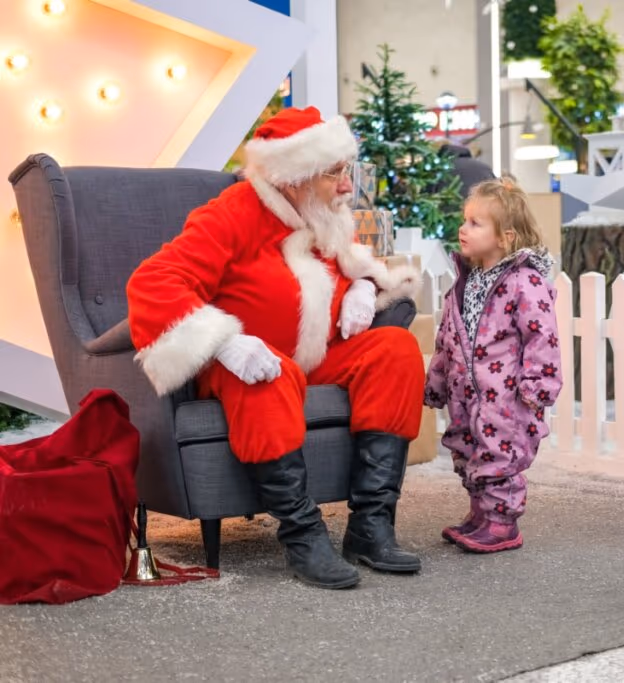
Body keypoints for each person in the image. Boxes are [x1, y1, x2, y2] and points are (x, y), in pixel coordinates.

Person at [126, 107, 426, 589]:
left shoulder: (318, 211)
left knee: (395, 349)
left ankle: (372, 525)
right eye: (335, 173)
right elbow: (154, 281)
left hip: (319, 357)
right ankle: (302, 534)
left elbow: (351, 260)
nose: (347, 186)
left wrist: (363, 287)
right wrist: (225, 343)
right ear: (295, 177)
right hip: (247, 361)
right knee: (268, 373)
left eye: (345, 171)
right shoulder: (232, 212)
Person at [424, 178, 562, 553]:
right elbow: (448, 337)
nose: (462, 229)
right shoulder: (466, 282)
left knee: (499, 453)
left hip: (507, 397)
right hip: (465, 393)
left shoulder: (524, 282)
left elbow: (543, 337)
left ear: (505, 237)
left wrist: (537, 387)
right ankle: (481, 514)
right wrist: (437, 380)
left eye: (475, 223)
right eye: (465, 220)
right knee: (468, 448)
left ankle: (502, 524)